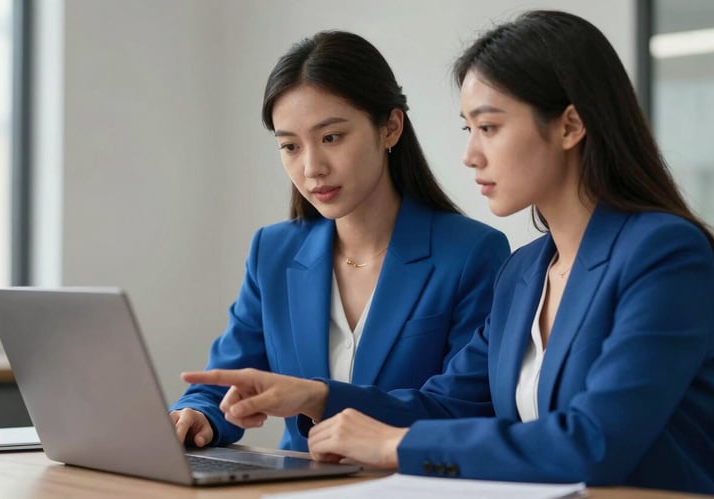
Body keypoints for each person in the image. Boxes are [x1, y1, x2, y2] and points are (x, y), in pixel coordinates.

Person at [182, 11, 714, 494]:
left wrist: (395, 445)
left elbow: (594, 440)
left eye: (488, 127)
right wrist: (316, 397)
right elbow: (447, 405)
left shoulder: (664, 252)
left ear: (570, 125)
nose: (469, 155)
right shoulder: (524, 271)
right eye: (470, 129)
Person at [170, 31, 510, 452]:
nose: (312, 168)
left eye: (331, 137)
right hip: (294, 488)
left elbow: (462, 407)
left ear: (390, 128)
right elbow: (229, 379)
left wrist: (320, 398)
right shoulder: (273, 252)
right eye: (290, 146)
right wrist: (199, 414)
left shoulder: (472, 253)